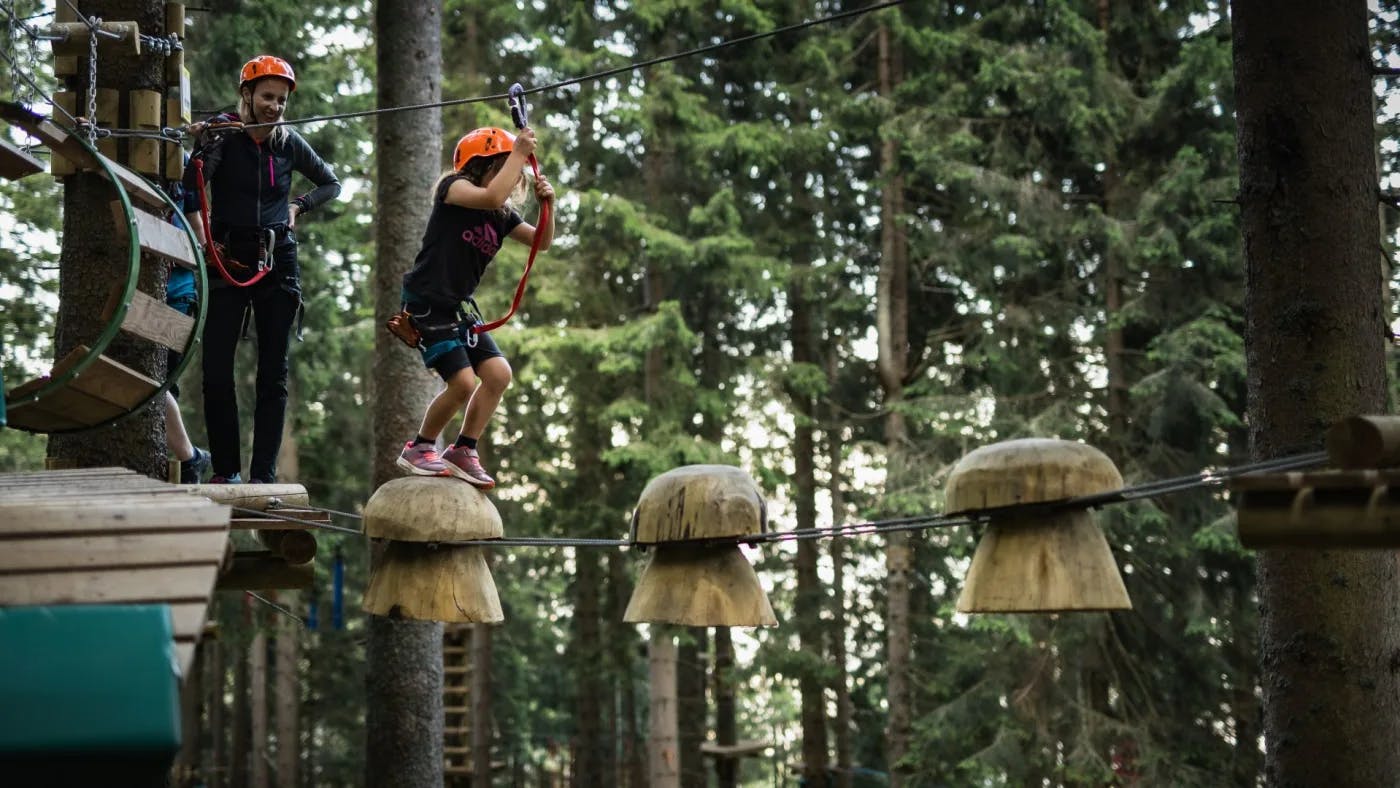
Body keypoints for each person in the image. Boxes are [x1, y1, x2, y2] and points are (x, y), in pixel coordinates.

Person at [183, 55, 341, 484]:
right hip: (226, 255)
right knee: (217, 368)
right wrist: (202, 234)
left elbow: (331, 183)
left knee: (274, 372)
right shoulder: (223, 134)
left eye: (282, 100)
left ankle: (263, 476)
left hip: (276, 258)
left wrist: (297, 205)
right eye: (267, 97)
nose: (274, 106)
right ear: (247, 95)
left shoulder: (288, 143)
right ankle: (227, 471)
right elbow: (192, 184)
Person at [396, 126, 555, 488]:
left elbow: (541, 242)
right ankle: (419, 447)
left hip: (459, 308)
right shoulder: (454, 189)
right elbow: (491, 195)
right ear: (479, 166)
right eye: (502, 167)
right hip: (428, 303)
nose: (512, 180)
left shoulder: (500, 214)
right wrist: (519, 153)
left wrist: (549, 204)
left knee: (498, 374)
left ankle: (463, 449)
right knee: (464, 382)